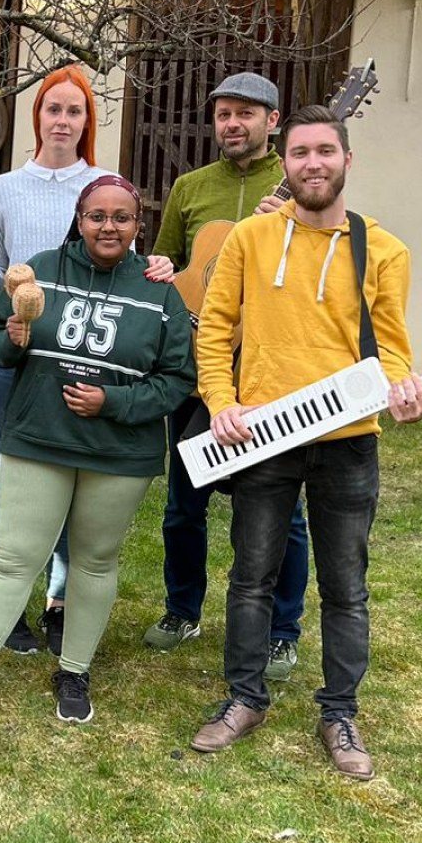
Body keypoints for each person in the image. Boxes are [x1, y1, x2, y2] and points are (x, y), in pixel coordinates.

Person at [186, 106, 422, 780]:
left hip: (348, 443)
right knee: (250, 578)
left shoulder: (383, 250)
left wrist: (406, 392)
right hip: (265, 434)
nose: (312, 163)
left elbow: (392, 356)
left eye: (325, 151)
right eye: (300, 153)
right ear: (284, 161)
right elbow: (214, 330)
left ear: (346, 161)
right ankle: (244, 698)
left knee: (346, 587)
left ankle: (339, 712)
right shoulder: (249, 239)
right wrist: (221, 401)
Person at [0, 175, 195, 727]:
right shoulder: (41, 269)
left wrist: (112, 401)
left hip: (118, 451)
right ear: (79, 220)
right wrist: (10, 341)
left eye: (122, 217)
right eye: (96, 216)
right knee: (14, 559)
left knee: (94, 561)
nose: (108, 226)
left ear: (139, 227)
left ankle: (74, 670)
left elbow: (177, 378)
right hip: (40, 437)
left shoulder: (159, 292)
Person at [0, 65, 175, 657]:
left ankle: (61, 600)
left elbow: (126, 264)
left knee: (85, 488)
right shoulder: (2, 189)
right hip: (27, 359)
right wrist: (14, 324)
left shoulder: (107, 186)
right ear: (37, 116)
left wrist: (161, 267)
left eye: (75, 110)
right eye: (53, 109)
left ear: (88, 121)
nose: (63, 120)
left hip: (95, 357)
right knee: (16, 486)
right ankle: (10, 606)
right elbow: (5, 272)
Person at [146, 71, 311, 683]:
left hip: (268, 372)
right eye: (223, 114)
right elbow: (169, 272)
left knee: (280, 512)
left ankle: (281, 632)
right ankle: (182, 609)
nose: (232, 123)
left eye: (246, 113)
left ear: (274, 120)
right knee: (183, 503)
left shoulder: (299, 187)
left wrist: (282, 224)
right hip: (197, 369)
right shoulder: (191, 188)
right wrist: (161, 269)